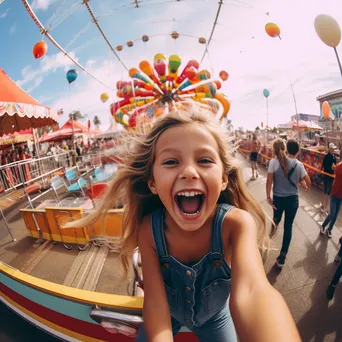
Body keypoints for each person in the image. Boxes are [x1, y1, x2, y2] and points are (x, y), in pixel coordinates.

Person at [68, 108, 300, 342]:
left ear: (222, 179)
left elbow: (252, 292)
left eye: (204, 160)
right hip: (168, 315)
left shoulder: (236, 224)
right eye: (171, 161)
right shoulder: (150, 229)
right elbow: (156, 305)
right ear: (153, 183)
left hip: (215, 319)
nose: (189, 171)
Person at [266, 138, 311, 268]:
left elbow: (269, 182)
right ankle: (282, 257)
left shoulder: (274, 162)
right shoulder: (299, 165)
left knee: (276, 220)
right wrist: (306, 186)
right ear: (297, 152)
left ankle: (268, 240)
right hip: (293, 201)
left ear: (287, 149)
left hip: (278, 200)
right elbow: (308, 182)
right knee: (288, 226)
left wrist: (268, 197)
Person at [321, 150, 342, 238]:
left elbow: (334, 168)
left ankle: (329, 229)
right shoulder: (339, 166)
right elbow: (335, 169)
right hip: (334, 194)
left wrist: (334, 167)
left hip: (340, 197)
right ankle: (323, 225)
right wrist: (334, 167)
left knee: (335, 215)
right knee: (332, 214)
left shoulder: (338, 166)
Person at [321, 143, 337, 213]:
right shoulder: (328, 157)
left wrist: (334, 169)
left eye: (333, 149)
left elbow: (324, 166)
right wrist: (332, 169)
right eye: (332, 149)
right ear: (330, 149)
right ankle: (324, 206)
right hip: (328, 177)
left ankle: (324, 205)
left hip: (329, 177)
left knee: (326, 192)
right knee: (326, 192)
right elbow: (325, 166)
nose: (333, 150)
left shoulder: (333, 157)